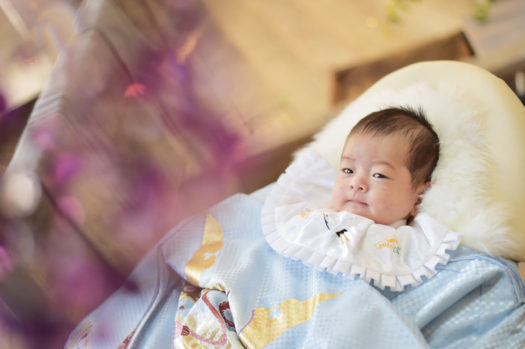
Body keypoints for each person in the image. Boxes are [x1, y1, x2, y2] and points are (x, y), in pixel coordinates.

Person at [267, 106, 458, 291]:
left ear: (418, 198)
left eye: (379, 175)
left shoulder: (411, 246)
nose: (356, 183)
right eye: (348, 170)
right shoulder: (314, 211)